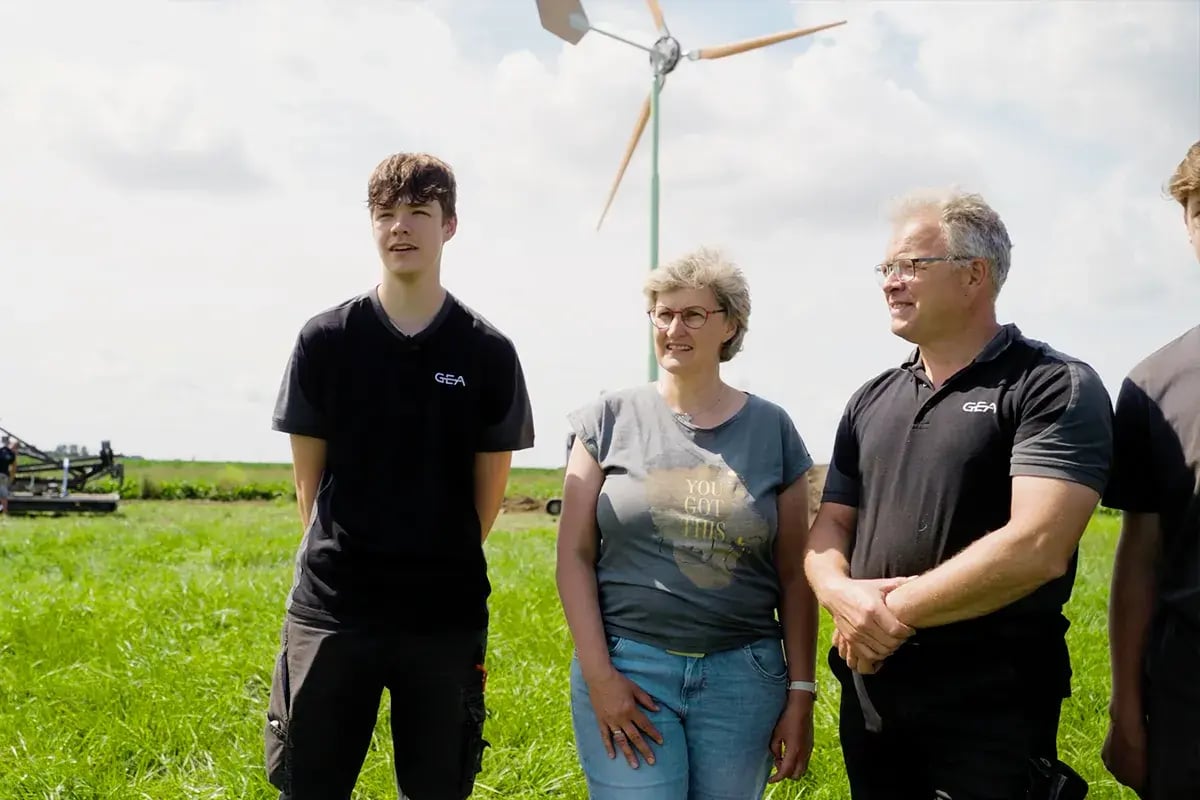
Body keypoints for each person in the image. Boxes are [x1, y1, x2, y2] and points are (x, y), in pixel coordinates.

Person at [804, 188, 1113, 800]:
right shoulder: (871, 399)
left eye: (911, 265)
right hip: (873, 692)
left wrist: (888, 612)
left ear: (975, 275)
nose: (891, 282)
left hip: (991, 699)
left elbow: (1038, 545)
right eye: (886, 268)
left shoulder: (1051, 386)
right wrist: (839, 594)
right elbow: (831, 525)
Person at [263, 152, 535, 800]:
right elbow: (311, 489)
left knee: (438, 788)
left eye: (419, 212)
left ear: (450, 225)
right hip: (332, 612)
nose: (400, 227)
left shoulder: (487, 352)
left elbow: (486, 498)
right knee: (310, 785)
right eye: (386, 213)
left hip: (443, 615)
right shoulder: (325, 340)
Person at [555, 247, 820, 799]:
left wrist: (801, 694)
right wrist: (601, 677)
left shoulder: (773, 429)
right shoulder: (605, 420)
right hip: (629, 666)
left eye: (693, 314)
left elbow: (796, 575)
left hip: (743, 677)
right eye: (663, 313)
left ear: (731, 325)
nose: (674, 328)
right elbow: (573, 557)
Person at [1101, 139, 1200, 799]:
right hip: (1189, 692)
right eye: (1199, 211)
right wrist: (1124, 709)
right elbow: (1140, 554)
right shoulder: (1150, 385)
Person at [0, 436, 16, 514]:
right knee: (3, 495)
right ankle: (5, 512)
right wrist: (12, 477)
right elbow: (14, 467)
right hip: (4, 475)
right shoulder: (10, 453)